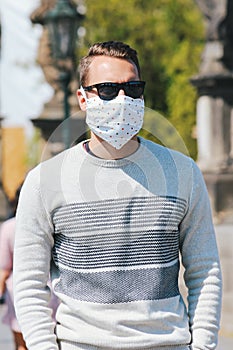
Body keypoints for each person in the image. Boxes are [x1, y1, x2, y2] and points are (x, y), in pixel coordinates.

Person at [13, 41, 222, 350]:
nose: (123, 99)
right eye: (108, 90)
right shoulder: (44, 182)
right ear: (83, 99)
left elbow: (205, 271)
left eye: (133, 88)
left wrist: (203, 346)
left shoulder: (183, 172)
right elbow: (29, 284)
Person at [0, 186, 27, 350]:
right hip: (51, 295)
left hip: (17, 293)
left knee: (21, 345)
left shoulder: (10, 227)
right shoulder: (49, 224)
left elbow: (3, 269)